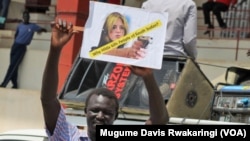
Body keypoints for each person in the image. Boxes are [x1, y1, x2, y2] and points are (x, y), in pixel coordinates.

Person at [41, 19, 169, 141]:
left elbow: (160, 121)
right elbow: (48, 100)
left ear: (115, 116)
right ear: (86, 111)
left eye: (107, 112)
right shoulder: (68, 136)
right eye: (95, 110)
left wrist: (148, 77)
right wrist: (55, 49)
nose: (100, 116)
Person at [0, 10, 47, 88]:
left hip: (22, 47)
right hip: (15, 45)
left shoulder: (32, 26)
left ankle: (4, 83)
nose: (26, 17)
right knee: (13, 65)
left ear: (29, 17)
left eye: (27, 16)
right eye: (25, 16)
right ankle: (15, 84)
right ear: (23, 17)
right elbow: (16, 34)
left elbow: (43, 29)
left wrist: (41, 30)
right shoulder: (20, 25)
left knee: (13, 66)